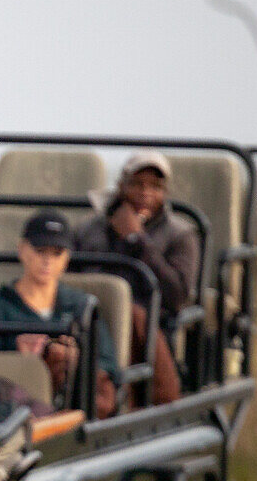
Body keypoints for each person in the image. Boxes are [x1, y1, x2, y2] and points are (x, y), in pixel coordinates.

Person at [0, 210, 118, 418]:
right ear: (22, 250)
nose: (48, 260)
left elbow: (107, 365)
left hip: (75, 415)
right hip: (13, 414)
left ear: (67, 258)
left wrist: (72, 358)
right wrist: (20, 359)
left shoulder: (83, 307)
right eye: (40, 251)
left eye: (57, 253)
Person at [72, 151, 195, 404]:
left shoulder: (180, 235)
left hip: (149, 329)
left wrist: (138, 241)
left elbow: (178, 296)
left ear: (165, 193)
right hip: (90, 318)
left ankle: (119, 399)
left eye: (155, 187)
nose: (146, 193)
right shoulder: (88, 229)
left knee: (132, 315)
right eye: (137, 184)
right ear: (121, 187)